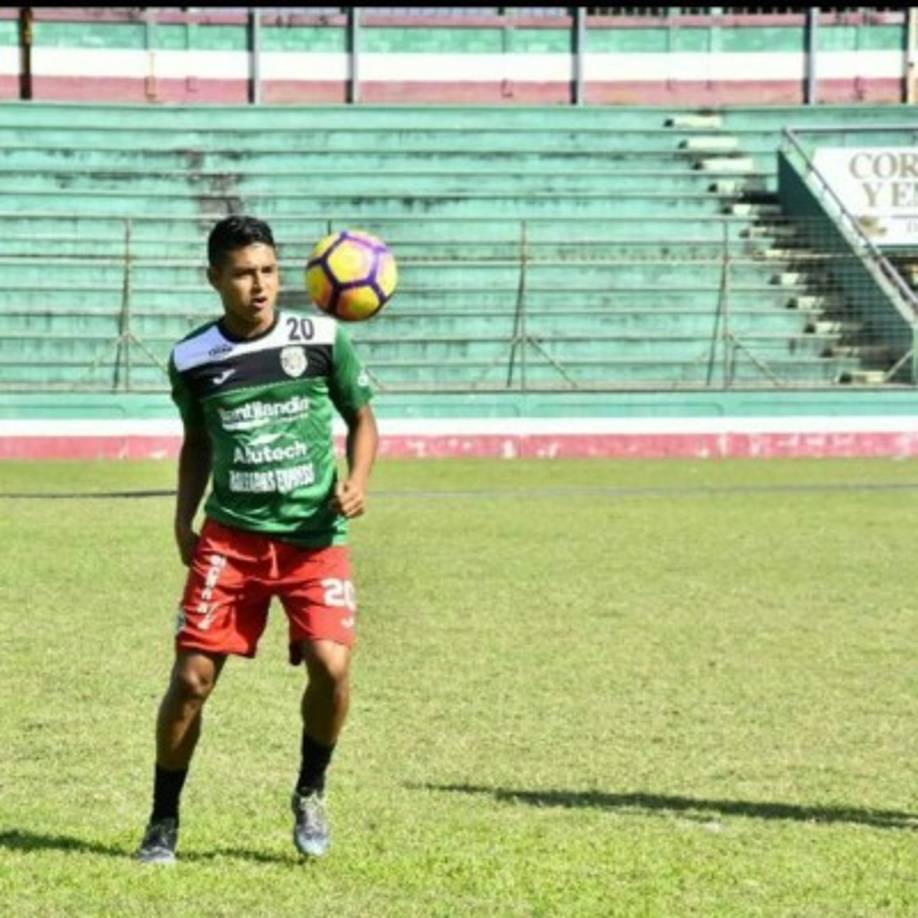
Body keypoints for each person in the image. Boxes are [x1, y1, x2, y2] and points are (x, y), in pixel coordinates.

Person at [136, 215, 378, 864]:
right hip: (232, 539)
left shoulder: (323, 338)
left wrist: (356, 480)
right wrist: (182, 520)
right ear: (215, 278)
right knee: (191, 679)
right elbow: (196, 442)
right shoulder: (192, 358)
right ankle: (163, 821)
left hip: (313, 536)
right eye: (243, 274)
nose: (260, 285)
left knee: (332, 666)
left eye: (269, 271)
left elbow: (362, 419)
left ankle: (310, 790)